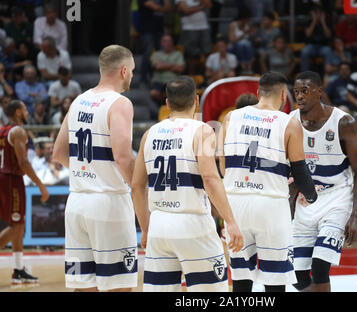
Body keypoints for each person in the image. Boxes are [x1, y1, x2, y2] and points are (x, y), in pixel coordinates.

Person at [131, 76, 243, 291]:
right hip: (193, 224)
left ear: (167, 103)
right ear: (197, 100)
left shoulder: (149, 134)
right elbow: (210, 179)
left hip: (159, 225)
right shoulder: (202, 130)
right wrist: (230, 221)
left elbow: (136, 187)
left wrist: (145, 229)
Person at [217, 71, 318, 292]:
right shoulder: (289, 123)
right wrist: (311, 196)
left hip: (236, 205)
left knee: (242, 281)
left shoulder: (230, 118)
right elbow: (300, 173)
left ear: (258, 93)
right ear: (284, 95)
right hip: (271, 207)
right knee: (275, 281)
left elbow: (223, 168)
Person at [53, 45, 138, 292]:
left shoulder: (79, 100)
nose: (131, 75)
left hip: (77, 204)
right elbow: (123, 157)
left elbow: (58, 153)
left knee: (84, 287)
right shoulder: (120, 103)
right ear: (124, 70)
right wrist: (139, 190)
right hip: (108, 204)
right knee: (118, 287)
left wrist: (87, 172)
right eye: (131, 70)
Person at [289, 71, 357, 292]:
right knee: (297, 273)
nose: (300, 96)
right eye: (296, 92)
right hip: (306, 201)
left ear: (319, 92)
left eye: (305, 91)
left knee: (320, 267)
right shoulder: (290, 121)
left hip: (337, 198)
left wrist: (354, 216)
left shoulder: (344, 122)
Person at [0, 100, 49, 284]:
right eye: (24, 108)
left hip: (6, 178)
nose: (27, 111)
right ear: (17, 112)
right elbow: (24, 163)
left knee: (18, 225)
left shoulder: (3, 129)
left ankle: (18, 270)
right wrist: (41, 186)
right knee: (16, 227)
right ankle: (18, 269)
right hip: (12, 180)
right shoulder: (18, 131)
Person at [137, 0, 171, 85]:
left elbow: (168, 8)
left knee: (160, 54)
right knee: (148, 53)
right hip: (147, 30)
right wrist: (163, 9)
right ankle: (143, 78)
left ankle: (157, 78)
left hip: (159, 30)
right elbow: (156, 8)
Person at [175, 0, 212, 75]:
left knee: (206, 52)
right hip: (189, 27)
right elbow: (185, 10)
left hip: (204, 26)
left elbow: (209, 5)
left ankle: (205, 75)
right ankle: (191, 75)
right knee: (191, 54)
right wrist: (202, 7)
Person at [300, 5, 332, 72]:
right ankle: (304, 74)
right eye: (316, 13)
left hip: (323, 46)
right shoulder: (309, 22)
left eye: (320, 13)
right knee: (304, 52)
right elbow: (308, 34)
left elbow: (328, 35)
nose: (318, 15)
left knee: (328, 51)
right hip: (311, 46)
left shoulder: (326, 23)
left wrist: (323, 22)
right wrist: (314, 21)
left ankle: (327, 74)